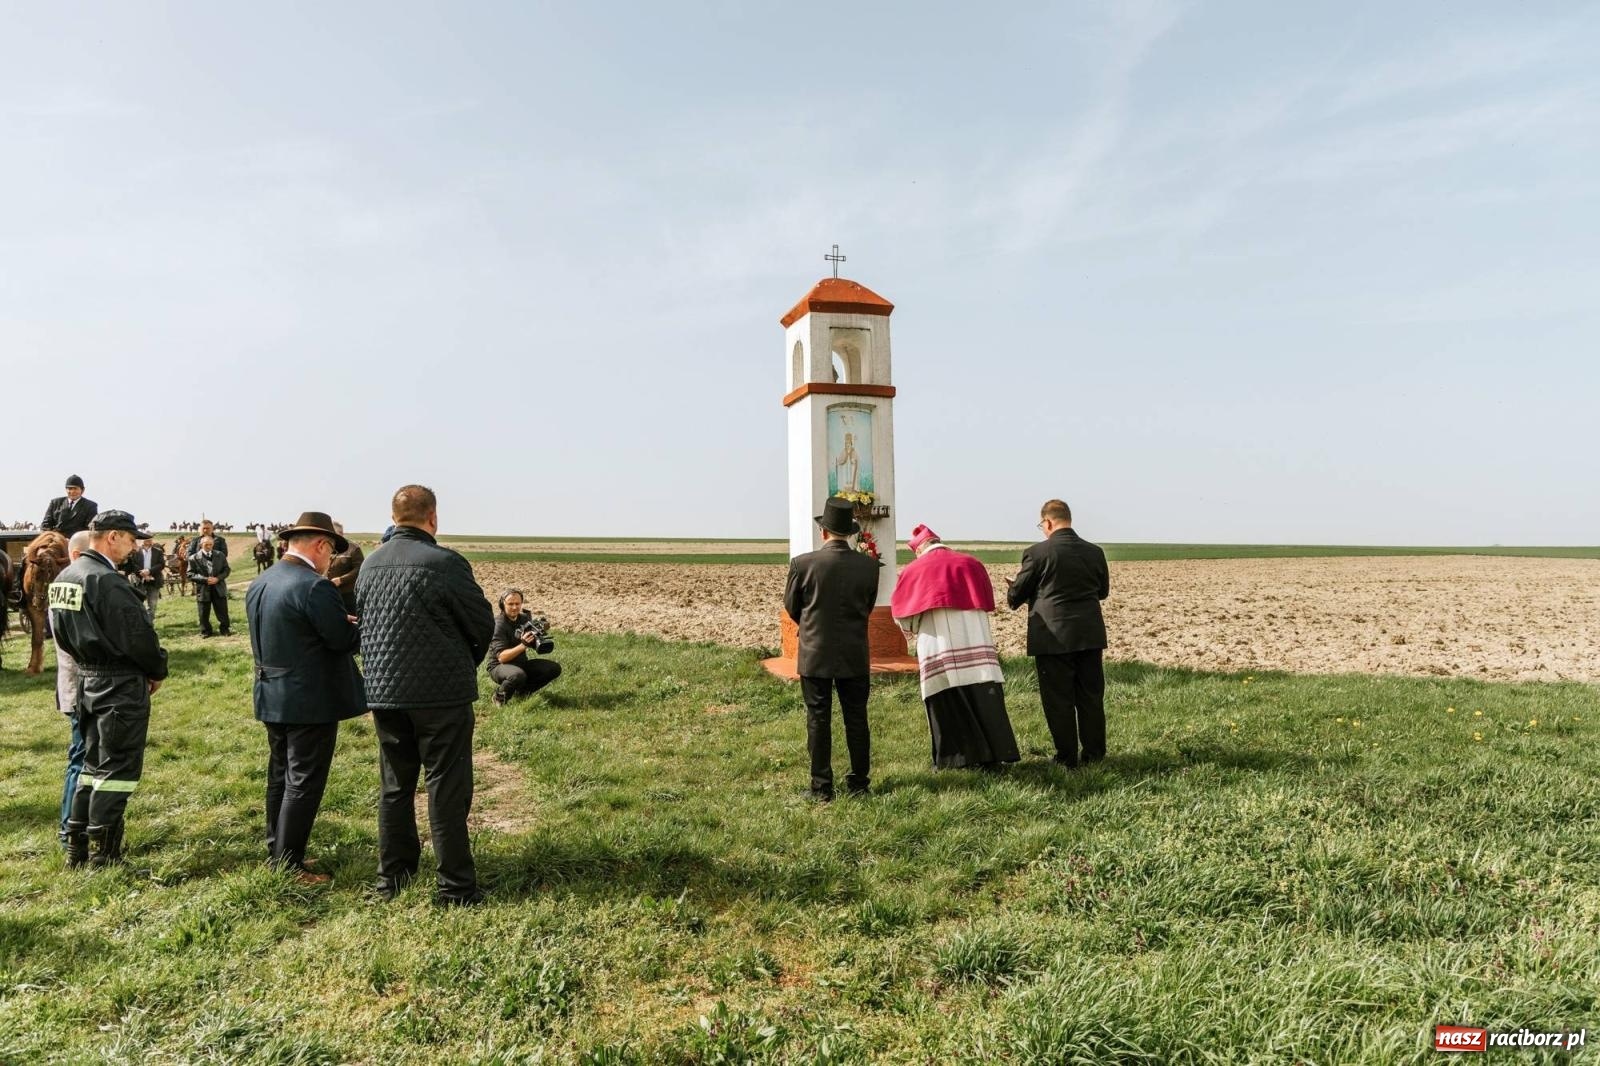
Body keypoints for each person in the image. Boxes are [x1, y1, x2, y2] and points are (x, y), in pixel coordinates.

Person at [356, 485, 493, 906]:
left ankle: (392, 878)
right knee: (446, 787)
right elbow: (481, 623)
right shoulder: (445, 563)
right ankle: (455, 887)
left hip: (384, 693)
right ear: (432, 518)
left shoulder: (370, 565)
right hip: (440, 696)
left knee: (395, 786)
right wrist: (462, 663)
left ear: (394, 517)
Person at [245, 511, 365, 884]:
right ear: (320, 545)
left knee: (279, 776)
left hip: (272, 692)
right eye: (331, 553)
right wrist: (357, 627)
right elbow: (341, 641)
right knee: (303, 782)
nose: (331, 561)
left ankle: (277, 851)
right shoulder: (315, 586)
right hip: (309, 698)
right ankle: (290, 865)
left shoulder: (262, 581)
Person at [50, 510, 168, 867]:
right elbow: (139, 636)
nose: (134, 547)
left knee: (90, 765)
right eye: (132, 539)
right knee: (116, 771)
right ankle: (105, 854)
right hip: (118, 684)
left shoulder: (65, 577)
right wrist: (156, 668)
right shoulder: (107, 581)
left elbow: (60, 635)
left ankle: (77, 846)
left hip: (87, 680)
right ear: (112, 536)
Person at [892, 524, 1019, 770]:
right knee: (983, 695)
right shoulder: (971, 563)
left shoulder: (914, 570)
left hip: (938, 642)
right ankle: (993, 756)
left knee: (946, 698)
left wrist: (914, 627)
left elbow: (904, 615)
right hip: (975, 638)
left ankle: (955, 758)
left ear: (919, 550)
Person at [783, 496, 881, 800]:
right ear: (850, 533)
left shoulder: (803, 564)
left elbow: (791, 606)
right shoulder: (868, 566)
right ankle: (859, 785)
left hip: (815, 652)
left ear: (823, 532)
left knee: (818, 718)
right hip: (854, 651)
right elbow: (868, 605)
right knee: (856, 717)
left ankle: (822, 787)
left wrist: (812, 627)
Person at [1005, 499, 1110, 767]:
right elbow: (1102, 592)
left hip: (1052, 637)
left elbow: (1017, 594)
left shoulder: (1037, 553)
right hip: (1089, 634)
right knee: (1090, 697)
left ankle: (1066, 758)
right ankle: (1094, 756)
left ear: (1048, 522)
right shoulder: (1095, 552)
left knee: (1058, 700)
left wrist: (1014, 587)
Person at [54, 530, 93, 851]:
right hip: (81, 686)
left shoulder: (61, 584)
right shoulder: (74, 584)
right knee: (80, 759)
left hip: (73, 686)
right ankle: (70, 829)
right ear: (79, 556)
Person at [485, 588, 562, 706]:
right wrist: (523, 645)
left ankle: (522, 693)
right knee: (517, 675)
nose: (515, 607)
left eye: (517, 604)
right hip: (499, 667)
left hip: (521, 663)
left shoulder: (524, 619)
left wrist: (537, 637)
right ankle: (499, 697)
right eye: (510, 604)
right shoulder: (499, 625)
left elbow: (533, 645)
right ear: (502, 604)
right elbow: (502, 658)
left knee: (553, 668)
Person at [190, 534, 231, 637]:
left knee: (222, 610)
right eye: (206, 544)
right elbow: (190, 574)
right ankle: (205, 631)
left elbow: (226, 570)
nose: (208, 546)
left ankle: (225, 629)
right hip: (203, 588)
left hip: (218, 587)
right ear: (200, 545)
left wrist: (217, 578)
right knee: (203, 611)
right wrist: (205, 579)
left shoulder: (220, 555)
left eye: (210, 544)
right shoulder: (193, 558)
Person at [119, 535, 165, 623]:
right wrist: (143, 573)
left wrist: (149, 571)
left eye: (149, 538)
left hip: (154, 581)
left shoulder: (158, 552)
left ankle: (149, 625)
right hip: (138, 581)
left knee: (152, 605)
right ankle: (140, 624)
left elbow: (161, 564)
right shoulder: (135, 551)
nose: (148, 540)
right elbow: (132, 564)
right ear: (141, 540)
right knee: (138, 604)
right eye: (145, 539)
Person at [324, 521, 364, 616]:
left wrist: (341, 580)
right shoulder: (327, 547)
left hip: (348, 595)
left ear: (340, 534)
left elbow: (359, 568)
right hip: (329, 593)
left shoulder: (353, 548)